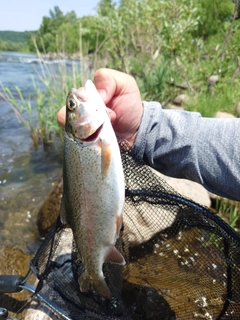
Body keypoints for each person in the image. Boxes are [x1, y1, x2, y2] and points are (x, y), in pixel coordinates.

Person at [57, 68, 240, 201]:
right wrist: (141, 126)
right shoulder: (90, 139)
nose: (75, 100)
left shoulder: (92, 138)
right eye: (73, 106)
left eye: (72, 106)